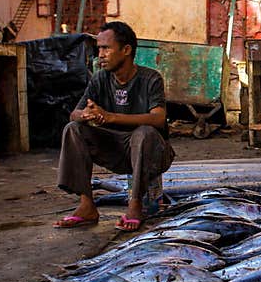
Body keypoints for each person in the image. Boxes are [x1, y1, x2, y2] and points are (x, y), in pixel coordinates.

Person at [54, 20, 175, 232]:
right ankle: (86, 205)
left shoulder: (150, 78)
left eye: (106, 48)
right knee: (73, 129)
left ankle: (135, 205)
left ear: (126, 50)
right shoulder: (100, 79)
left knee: (144, 133)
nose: (100, 54)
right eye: (98, 48)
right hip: (116, 151)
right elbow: (74, 114)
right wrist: (86, 114)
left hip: (151, 152)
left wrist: (110, 117)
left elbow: (158, 119)